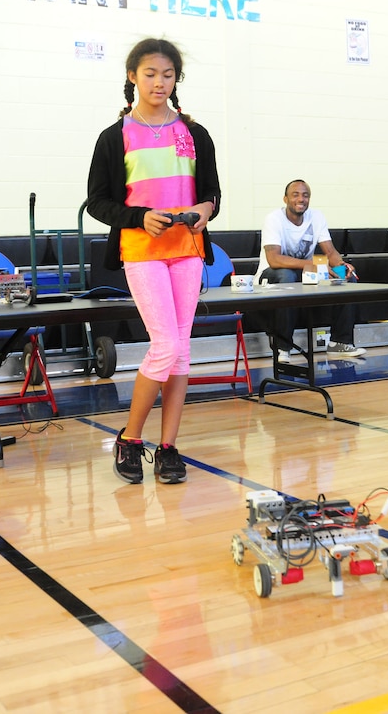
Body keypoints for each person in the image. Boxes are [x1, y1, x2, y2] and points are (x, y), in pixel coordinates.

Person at [87, 38, 221, 485]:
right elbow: (98, 203)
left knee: (180, 350)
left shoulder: (195, 132)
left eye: (167, 75)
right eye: (150, 74)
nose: (159, 82)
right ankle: (130, 437)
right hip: (142, 251)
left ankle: (167, 447)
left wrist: (205, 211)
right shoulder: (115, 136)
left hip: (188, 251)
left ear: (176, 79)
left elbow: (212, 195)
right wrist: (140, 218)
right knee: (164, 345)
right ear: (132, 78)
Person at [255, 179, 365, 362]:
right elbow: (274, 259)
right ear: (285, 199)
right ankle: (283, 348)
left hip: (307, 273)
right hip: (272, 276)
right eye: (295, 194)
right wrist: (311, 265)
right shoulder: (273, 219)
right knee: (287, 275)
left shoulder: (317, 217)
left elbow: (330, 252)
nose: (301, 199)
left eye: (305, 195)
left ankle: (339, 343)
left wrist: (342, 265)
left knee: (346, 279)